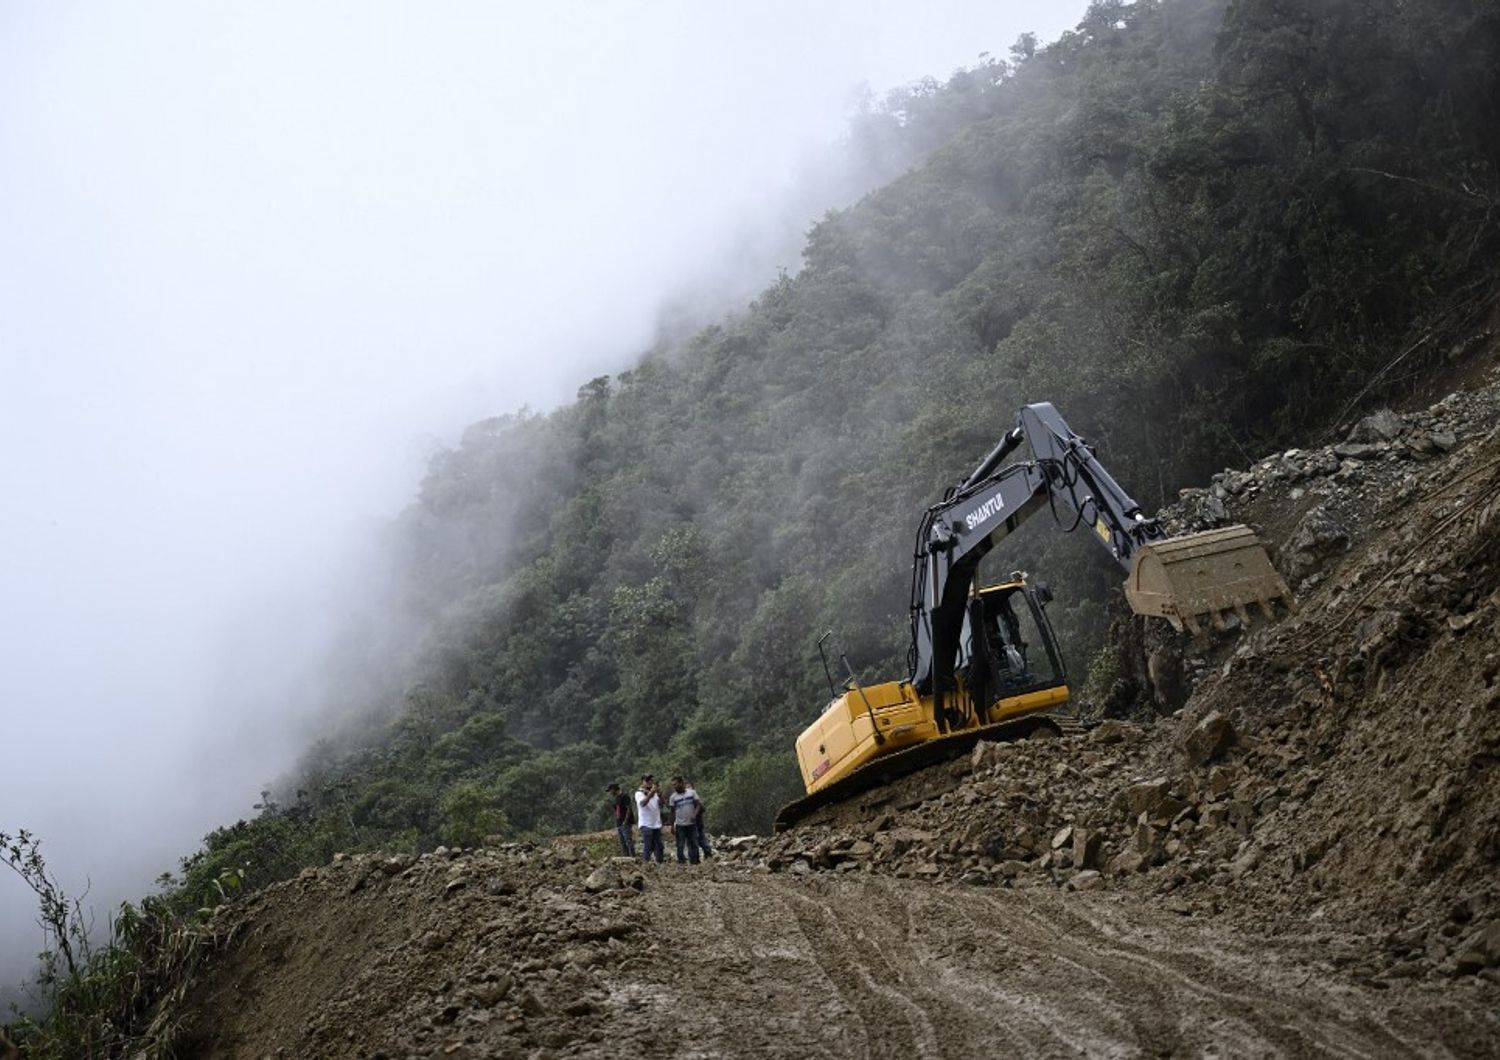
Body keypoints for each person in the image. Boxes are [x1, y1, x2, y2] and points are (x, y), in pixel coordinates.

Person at [668, 775, 703, 865]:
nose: (674, 787)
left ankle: (695, 861)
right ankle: (681, 862)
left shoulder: (692, 793)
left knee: (694, 843)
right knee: (680, 845)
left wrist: (694, 815)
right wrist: (672, 825)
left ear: (681, 783)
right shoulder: (673, 797)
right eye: (673, 785)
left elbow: (698, 805)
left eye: (675, 784)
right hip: (680, 825)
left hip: (691, 823)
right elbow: (672, 812)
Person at [635, 774, 665, 864]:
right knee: (648, 846)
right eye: (647, 781)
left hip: (656, 823)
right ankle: (646, 864)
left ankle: (660, 863)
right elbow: (642, 804)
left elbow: (662, 804)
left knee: (659, 846)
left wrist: (660, 795)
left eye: (651, 780)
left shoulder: (655, 793)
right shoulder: (639, 793)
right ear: (642, 782)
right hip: (646, 824)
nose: (650, 782)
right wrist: (651, 793)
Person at [606, 782, 635, 857]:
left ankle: (633, 857)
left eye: (610, 790)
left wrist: (625, 821)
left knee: (628, 841)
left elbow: (629, 809)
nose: (610, 793)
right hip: (619, 823)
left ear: (614, 789)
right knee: (622, 842)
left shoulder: (625, 796)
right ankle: (626, 858)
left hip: (625, 823)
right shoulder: (616, 798)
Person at [687, 778, 714, 859]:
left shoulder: (696, 799)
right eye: (687, 788)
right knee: (692, 842)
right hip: (689, 825)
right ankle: (695, 858)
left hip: (698, 824)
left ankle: (707, 854)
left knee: (701, 840)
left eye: (690, 788)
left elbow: (702, 808)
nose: (688, 790)